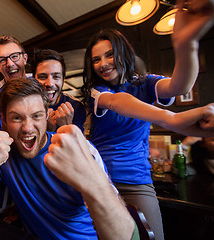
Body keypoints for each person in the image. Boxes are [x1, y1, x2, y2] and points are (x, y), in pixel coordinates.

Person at [81, 1, 214, 239]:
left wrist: (185, 45)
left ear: (123, 52)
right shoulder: (96, 92)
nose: (103, 64)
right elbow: (117, 102)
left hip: (136, 181)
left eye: (109, 54)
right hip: (99, 181)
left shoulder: (145, 83)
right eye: (96, 59)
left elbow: (178, 85)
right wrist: (171, 119)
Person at [0, 77, 137, 240]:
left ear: (47, 115)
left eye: (36, 116)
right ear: (3, 119)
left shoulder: (77, 148)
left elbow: (127, 236)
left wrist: (92, 181)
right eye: (17, 118)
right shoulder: (2, 155)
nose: (28, 127)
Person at [32, 49, 87, 132]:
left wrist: (67, 126)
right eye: (43, 77)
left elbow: (80, 144)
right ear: (34, 79)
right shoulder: (28, 106)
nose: (50, 84)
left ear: (63, 80)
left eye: (56, 77)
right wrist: (46, 130)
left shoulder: (76, 106)